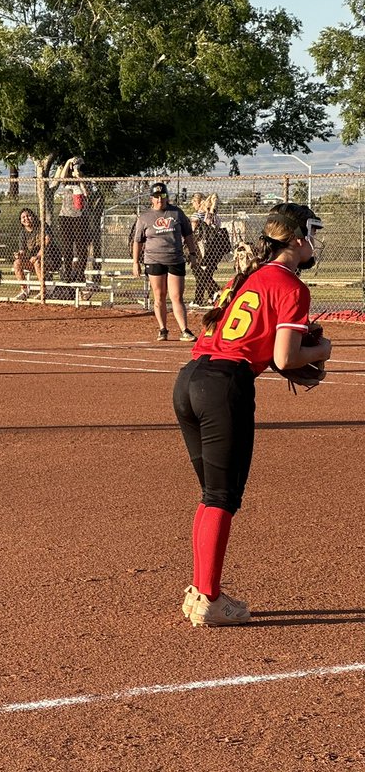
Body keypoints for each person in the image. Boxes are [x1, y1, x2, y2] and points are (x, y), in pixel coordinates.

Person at [172, 203, 332, 627]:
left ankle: (200, 590)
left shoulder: (247, 276)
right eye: (311, 232)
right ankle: (208, 598)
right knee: (221, 499)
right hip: (225, 386)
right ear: (296, 239)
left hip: (189, 379)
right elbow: (285, 357)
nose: (314, 241)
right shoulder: (292, 286)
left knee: (211, 496)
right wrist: (322, 350)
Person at [131, 181, 199, 341]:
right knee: (159, 295)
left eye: (162, 196)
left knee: (176, 296)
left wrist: (193, 253)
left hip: (175, 259)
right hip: (154, 259)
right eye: (156, 197)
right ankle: (163, 329)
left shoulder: (176, 213)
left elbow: (188, 235)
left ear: (167, 197)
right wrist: (135, 262)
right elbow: (138, 241)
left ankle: (185, 330)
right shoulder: (145, 217)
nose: (160, 199)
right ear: (151, 199)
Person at [12, 208, 62, 301]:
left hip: (52, 260)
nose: (26, 218)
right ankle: (24, 291)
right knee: (17, 263)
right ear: (20, 220)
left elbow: (47, 241)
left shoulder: (42, 226)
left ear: (33, 216)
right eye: (23, 217)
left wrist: (38, 256)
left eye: (28, 216)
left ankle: (43, 291)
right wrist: (19, 255)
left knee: (37, 262)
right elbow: (22, 251)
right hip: (35, 261)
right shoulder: (23, 233)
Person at [191, 192, 231, 306]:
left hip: (202, 250)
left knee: (201, 274)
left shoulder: (197, 215)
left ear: (200, 203)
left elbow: (193, 230)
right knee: (206, 274)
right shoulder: (215, 217)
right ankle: (211, 297)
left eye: (194, 201)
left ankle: (217, 293)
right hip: (215, 249)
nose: (193, 204)